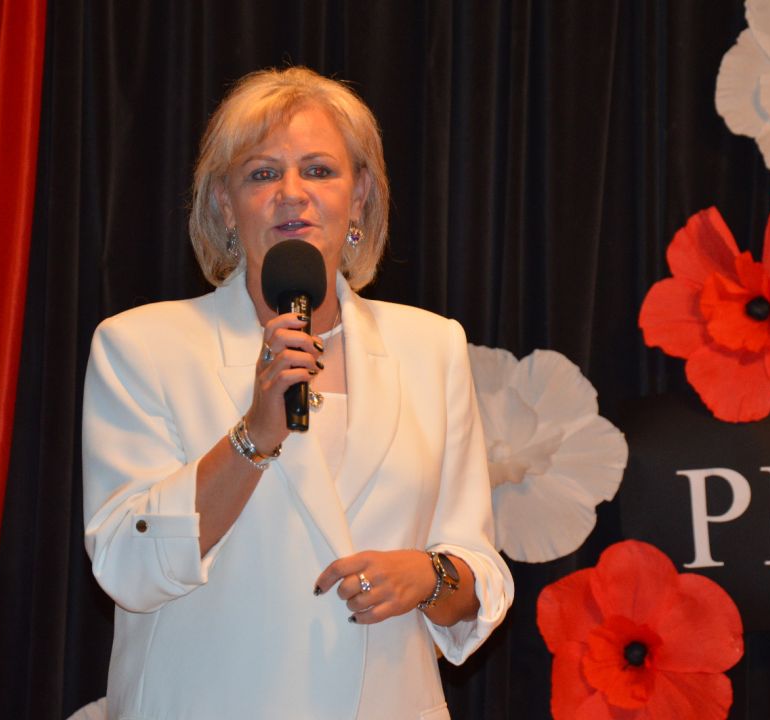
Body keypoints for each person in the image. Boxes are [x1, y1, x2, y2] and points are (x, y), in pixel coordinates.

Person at [82, 66, 513, 719]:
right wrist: (253, 437)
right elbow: (125, 564)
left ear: (359, 195)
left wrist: (430, 576)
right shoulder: (143, 346)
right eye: (262, 174)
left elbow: (476, 569)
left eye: (319, 171)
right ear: (224, 204)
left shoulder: (432, 347)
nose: (292, 195)